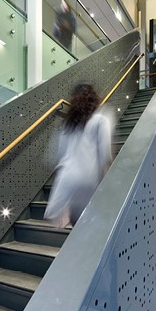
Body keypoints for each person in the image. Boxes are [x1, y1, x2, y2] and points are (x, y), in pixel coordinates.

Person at [44, 83, 114, 228]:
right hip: (88, 179)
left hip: (67, 180)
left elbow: (60, 154)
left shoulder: (67, 125)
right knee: (91, 226)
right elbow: (105, 155)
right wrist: (108, 186)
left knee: (77, 226)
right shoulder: (101, 119)